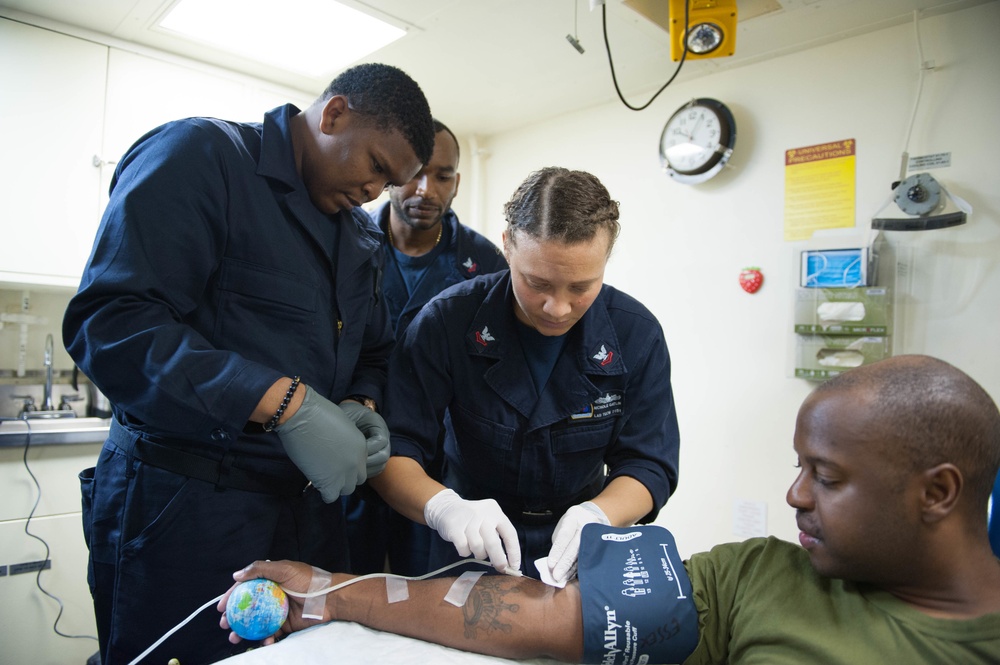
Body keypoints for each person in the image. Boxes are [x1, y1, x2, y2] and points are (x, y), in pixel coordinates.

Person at [223, 354, 1000, 664]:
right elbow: (542, 613)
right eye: (799, 467)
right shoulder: (759, 573)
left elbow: (649, 456)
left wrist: (605, 503)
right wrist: (325, 590)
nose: (794, 493)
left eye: (825, 476)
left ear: (937, 492)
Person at [62, 62, 435, 665]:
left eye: (389, 184)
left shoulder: (360, 238)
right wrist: (282, 401)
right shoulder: (201, 159)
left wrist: (357, 407)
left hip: (307, 515)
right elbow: (111, 324)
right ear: (334, 113)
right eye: (374, 166)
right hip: (185, 510)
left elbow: (374, 349)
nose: (376, 194)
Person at [370, 167, 680, 583]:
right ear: (507, 248)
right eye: (538, 283)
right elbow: (394, 449)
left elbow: (649, 462)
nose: (558, 307)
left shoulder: (636, 334)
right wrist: (444, 508)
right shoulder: (446, 322)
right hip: (466, 543)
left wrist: (599, 514)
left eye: (581, 287)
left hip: (579, 548)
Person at [345, 118, 508, 576]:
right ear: (394, 173)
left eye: (442, 176)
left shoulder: (486, 264)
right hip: (352, 443)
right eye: (416, 172)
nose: (426, 189)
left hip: (437, 464)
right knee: (344, 582)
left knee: (425, 588)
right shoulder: (350, 242)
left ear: (457, 182)